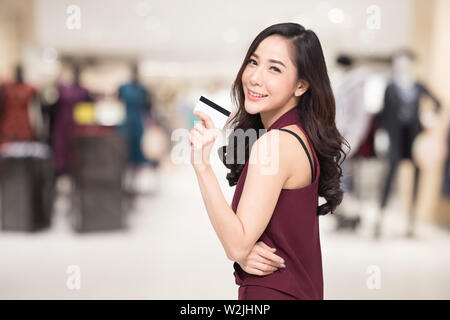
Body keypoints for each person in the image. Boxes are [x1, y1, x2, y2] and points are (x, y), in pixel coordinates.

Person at [188, 23, 348, 300]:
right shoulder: (298, 135)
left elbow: (236, 245)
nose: (254, 78)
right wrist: (245, 251)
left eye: (274, 68)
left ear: (301, 85)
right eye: (253, 62)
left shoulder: (275, 143)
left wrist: (202, 166)